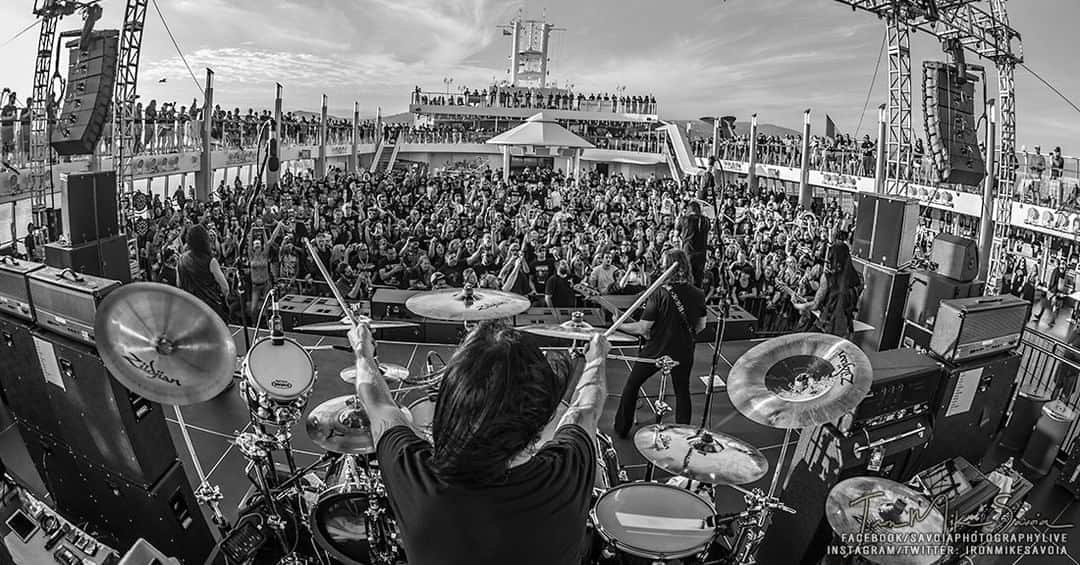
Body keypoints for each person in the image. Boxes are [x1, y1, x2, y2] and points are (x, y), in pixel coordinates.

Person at [348, 320, 610, 565]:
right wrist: (597, 357)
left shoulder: (411, 474)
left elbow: (377, 403)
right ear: (540, 419)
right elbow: (586, 408)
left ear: (451, 401)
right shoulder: (568, 472)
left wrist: (362, 353)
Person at [613, 249, 707, 438]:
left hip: (657, 349)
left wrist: (619, 324)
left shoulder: (659, 293)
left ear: (669, 267)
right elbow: (701, 326)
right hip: (684, 350)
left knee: (633, 384)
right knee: (682, 390)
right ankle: (683, 433)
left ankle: (622, 428)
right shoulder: (698, 293)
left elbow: (643, 328)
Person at [792, 242, 863, 340]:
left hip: (825, 327)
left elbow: (815, 304)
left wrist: (797, 305)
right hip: (845, 330)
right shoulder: (859, 279)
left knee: (804, 343)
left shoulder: (827, 278)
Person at [177, 223, 229, 320]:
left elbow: (179, 284)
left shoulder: (181, 259)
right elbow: (225, 288)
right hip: (210, 310)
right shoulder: (211, 261)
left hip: (190, 308)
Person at [678, 200, 710, 287]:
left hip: (688, 253)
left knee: (688, 278)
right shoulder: (705, 220)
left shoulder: (685, 219)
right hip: (701, 255)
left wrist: (681, 209)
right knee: (698, 280)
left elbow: (677, 227)